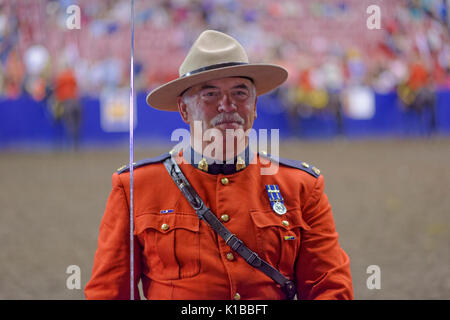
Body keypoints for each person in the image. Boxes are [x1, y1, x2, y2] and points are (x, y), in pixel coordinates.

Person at [85, 30, 353, 300]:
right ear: (184, 110)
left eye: (239, 92)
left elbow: (330, 288)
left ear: (255, 105)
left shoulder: (301, 186)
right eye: (210, 94)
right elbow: (108, 293)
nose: (228, 105)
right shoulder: (134, 187)